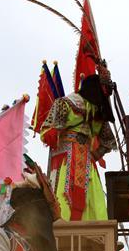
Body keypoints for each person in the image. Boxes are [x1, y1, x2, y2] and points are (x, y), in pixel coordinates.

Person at [40, 62, 118, 221]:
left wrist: (94, 155)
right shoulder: (67, 103)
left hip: (82, 159)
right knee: (68, 195)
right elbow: (48, 132)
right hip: (67, 157)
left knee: (84, 196)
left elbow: (109, 141)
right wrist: (94, 154)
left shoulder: (96, 111)